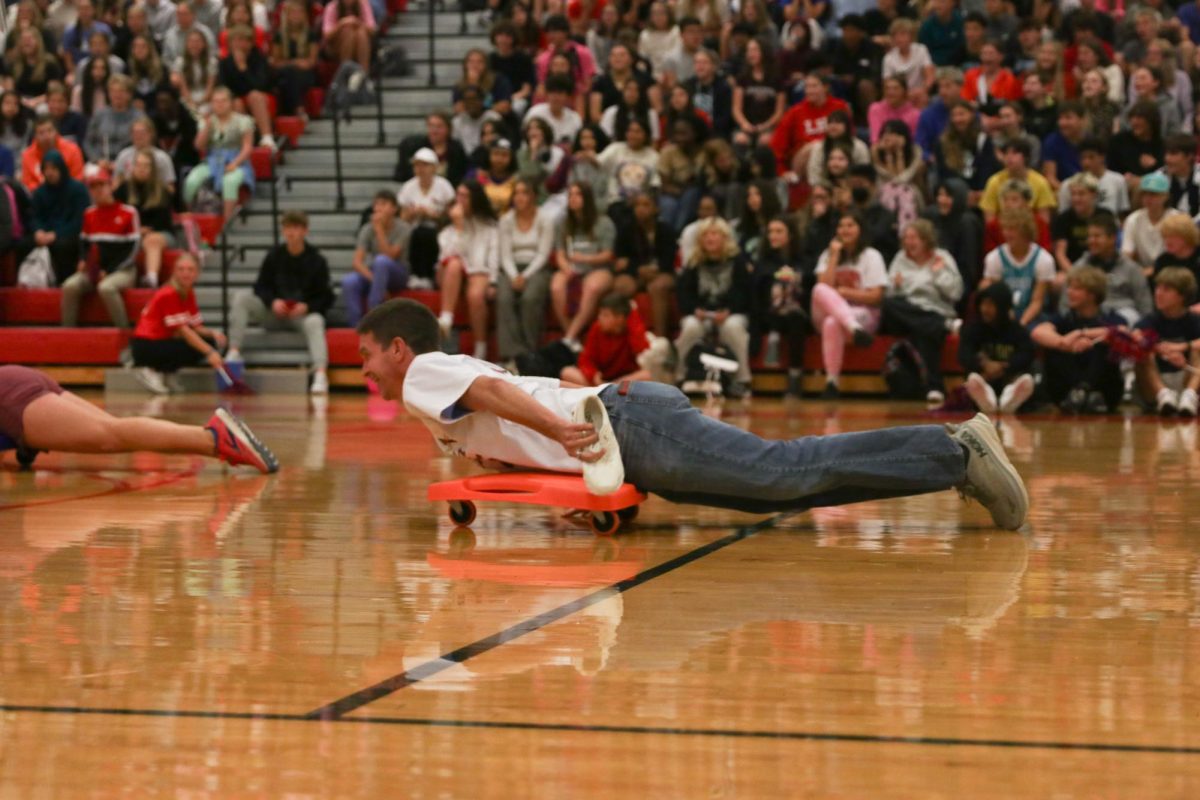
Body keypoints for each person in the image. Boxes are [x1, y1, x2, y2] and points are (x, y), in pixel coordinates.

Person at [353, 297, 1029, 529]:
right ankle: (950, 466)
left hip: (624, 421)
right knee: (776, 491)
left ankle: (955, 448)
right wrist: (573, 479)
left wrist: (562, 432)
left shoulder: (422, 374)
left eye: (366, 356)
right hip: (627, 428)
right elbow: (499, 424)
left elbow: (496, 397)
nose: (364, 371)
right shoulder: (439, 393)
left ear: (401, 348)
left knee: (780, 471)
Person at [0, 365, 277, 473]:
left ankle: (214, 438)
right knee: (113, 429)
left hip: (9, 397)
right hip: (16, 379)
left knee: (112, 436)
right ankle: (215, 439)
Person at [227, 210, 334, 395]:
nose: (291, 232)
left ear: (304, 231)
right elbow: (260, 287)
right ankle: (234, 351)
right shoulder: (274, 255)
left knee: (316, 321)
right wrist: (273, 302)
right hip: (273, 313)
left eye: (295, 228)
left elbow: (325, 296)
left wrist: (307, 306)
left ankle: (320, 373)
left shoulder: (317, 260)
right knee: (241, 298)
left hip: (300, 317)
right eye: (287, 228)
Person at [882, 219, 963, 406]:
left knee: (924, 331)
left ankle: (934, 388)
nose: (909, 242)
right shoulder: (900, 258)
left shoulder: (942, 257)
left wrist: (938, 274)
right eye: (906, 238)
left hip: (936, 310)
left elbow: (955, 292)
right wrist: (896, 285)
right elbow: (889, 292)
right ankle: (943, 325)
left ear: (926, 239)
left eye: (914, 237)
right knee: (889, 304)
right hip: (907, 313)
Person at [810, 210, 887, 399]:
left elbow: (876, 296)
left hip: (864, 314)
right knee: (818, 289)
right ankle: (853, 327)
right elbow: (824, 288)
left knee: (832, 323)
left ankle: (831, 382)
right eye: (841, 226)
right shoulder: (827, 255)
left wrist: (846, 293)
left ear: (861, 229)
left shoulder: (872, 256)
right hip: (843, 318)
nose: (845, 230)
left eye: (850, 225)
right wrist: (834, 255)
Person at [673, 216, 752, 397]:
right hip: (702, 313)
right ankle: (681, 376)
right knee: (691, 326)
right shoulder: (693, 262)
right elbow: (684, 294)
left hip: (731, 312)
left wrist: (729, 309)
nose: (710, 238)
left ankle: (741, 380)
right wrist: (695, 309)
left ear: (725, 237)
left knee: (732, 326)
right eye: (705, 234)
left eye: (715, 234)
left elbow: (745, 294)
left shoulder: (737, 262)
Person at [128, 252, 229, 394]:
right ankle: (149, 370)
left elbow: (196, 326)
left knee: (211, 340)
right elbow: (185, 331)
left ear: (197, 273)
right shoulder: (169, 293)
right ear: (174, 272)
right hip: (146, 346)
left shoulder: (188, 293)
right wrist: (210, 353)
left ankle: (167, 374)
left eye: (190, 269)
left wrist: (214, 334)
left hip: (161, 342)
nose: (185, 273)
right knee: (200, 346)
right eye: (181, 269)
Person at [1030, 266, 1125, 414]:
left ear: (1092, 294)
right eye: (1069, 288)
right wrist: (1065, 344)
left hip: (1104, 392)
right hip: (1066, 391)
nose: (1069, 292)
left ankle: (1084, 390)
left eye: (1076, 289)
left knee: (1105, 343)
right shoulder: (1065, 318)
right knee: (1054, 345)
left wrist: (1082, 334)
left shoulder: (1110, 317)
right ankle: (1078, 392)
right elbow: (1037, 332)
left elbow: (1121, 332)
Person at [60, 167, 140, 329]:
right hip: (94, 269)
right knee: (69, 286)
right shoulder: (89, 214)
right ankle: (67, 333)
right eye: (93, 187)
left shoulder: (128, 213)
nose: (98, 190)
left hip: (123, 269)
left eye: (101, 185)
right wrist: (84, 261)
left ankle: (124, 333)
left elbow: (132, 251)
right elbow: (84, 244)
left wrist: (110, 270)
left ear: (111, 186)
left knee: (106, 288)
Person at [435, 180, 499, 360]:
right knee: (454, 263)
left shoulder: (489, 226)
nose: (460, 200)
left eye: (465, 196)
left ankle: (481, 346)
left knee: (475, 294)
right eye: (458, 195)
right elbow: (447, 255)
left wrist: (493, 281)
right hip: (451, 273)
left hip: (478, 272)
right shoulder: (450, 226)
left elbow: (493, 256)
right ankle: (445, 319)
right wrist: (459, 228)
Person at [496, 178, 555, 364]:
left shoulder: (545, 219)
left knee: (531, 297)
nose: (519, 197)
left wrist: (525, 276)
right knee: (504, 297)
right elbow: (504, 254)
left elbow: (543, 254)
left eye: (524, 193)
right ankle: (512, 354)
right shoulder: (506, 220)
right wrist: (514, 276)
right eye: (517, 193)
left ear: (533, 197)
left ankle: (531, 352)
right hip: (511, 267)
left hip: (537, 267)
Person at [553, 181, 616, 350]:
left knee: (592, 286)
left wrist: (585, 259)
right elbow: (560, 253)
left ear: (587, 198)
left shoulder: (603, 222)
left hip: (599, 268)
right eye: (570, 195)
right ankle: (572, 340)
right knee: (557, 285)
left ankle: (569, 338)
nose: (573, 198)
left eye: (578, 194)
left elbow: (608, 255)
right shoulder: (563, 223)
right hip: (573, 267)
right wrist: (566, 268)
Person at [753, 215, 811, 397]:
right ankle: (773, 333)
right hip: (769, 313)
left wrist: (794, 279)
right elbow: (756, 296)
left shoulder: (803, 261)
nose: (773, 236)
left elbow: (808, 292)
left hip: (797, 314)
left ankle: (795, 376)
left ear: (790, 235)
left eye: (779, 231)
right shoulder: (763, 262)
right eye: (770, 231)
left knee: (796, 317)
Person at [960, 283, 1037, 415]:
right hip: (984, 377)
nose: (984, 309)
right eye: (982, 304)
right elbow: (964, 355)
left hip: (1008, 378)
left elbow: (1027, 354)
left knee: (1026, 377)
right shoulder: (972, 329)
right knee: (973, 378)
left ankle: (1010, 399)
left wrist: (1005, 367)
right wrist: (983, 365)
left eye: (990, 305)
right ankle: (986, 401)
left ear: (1002, 307)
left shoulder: (1018, 331)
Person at [1134, 267, 1200, 416]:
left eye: (1166, 289)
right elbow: (1136, 335)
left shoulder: (1194, 319)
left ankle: (1189, 396)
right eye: (1157, 288)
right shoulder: (1151, 319)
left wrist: (1182, 347)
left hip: (1188, 376)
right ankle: (1163, 395)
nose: (1158, 293)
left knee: (1198, 349)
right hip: (1155, 381)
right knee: (1142, 350)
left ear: (1182, 295)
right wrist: (1160, 349)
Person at [1069, 211, 1153, 327]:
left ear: (1112, 238)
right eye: (1089, 236)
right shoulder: (1079, 267)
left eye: (1097, 236)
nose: (1091, 241)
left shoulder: (1132, 269)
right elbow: (1066, 304)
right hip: (1087, 317)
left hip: (1123, 320)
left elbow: (1145, 307)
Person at [182, 86, 254, 221]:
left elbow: (247, 148)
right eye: (215, 101)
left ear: (231, 102)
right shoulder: (208, 121)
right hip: (212, 161)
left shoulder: (243, 121)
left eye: (223, 101)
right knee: (191, 180)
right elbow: (198, 146)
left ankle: (227, 222)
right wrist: (207, 126)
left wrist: (234, 164)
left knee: (230, 182)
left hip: (237, 161)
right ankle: (191, 218)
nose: (219, 104)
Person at [341, 191, 411, 327]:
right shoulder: (367, 228)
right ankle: (356, 328)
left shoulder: (403, 228)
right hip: (376, 274)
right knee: (349, 281)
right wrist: (375, 280)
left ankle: (374, 315)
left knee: (381, 261)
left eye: (383, 204)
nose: (378, 208)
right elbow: (357, 262)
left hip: (398, 272)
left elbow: (390, 255)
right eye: (376, 204)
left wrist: (379, 230)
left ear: (394, 209)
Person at [612, 192, 677, 338]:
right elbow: (620, 260)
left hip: (661, 272)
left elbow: (669, 260)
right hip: (635, 272)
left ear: (656, 209)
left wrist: (652, 270)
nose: (641, 209)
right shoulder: (626, 229)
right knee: (621, 286)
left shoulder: (666, 230)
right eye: (637, 205)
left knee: (657, 286)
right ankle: (624, 337)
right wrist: (637, 269)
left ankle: (660, 340)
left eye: (646, 205)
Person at [114, 148, 179, 288]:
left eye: (146, 165)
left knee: (152, 240)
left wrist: (143, 230)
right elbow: (117, 214)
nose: (142, 169)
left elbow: (162, 220)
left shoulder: (162, 190)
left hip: (161, 232)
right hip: (132, 233)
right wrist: (136, 229)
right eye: (138, 165)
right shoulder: (123, 189)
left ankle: (151, 279)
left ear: (152, 169)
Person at [980, 207, 1055, 328]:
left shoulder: (1044, 259)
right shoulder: (994, 258)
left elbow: (1037, 301)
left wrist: (1021, 324)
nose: (1006, 233)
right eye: (1005, 228)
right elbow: (997, 297)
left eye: (1012, 229)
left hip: (1034, 316)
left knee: (1040, 332)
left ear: (1026, 231)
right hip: (1004, 314)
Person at [560, 291, 654, 387]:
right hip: (600, 381)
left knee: (646, 375)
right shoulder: (597, 327)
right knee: (567, 372)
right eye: (600, 314)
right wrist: (593, 375)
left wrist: (633, 315)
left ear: (620, 318)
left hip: (622, 380)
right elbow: (585, 359)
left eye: (605, 315)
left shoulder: (632, 328)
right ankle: (606, 390)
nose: (600, 318)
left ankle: (609, 389)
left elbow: (641, 349)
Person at [771, 74, 849, 179]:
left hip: (834, 153)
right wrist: (782, 171)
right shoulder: (795, 112)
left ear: (825, 88)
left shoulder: (839, 107)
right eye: (807, 87)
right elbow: (777, 146)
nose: (809, 91)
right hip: (803, 158)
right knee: (815, 147)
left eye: (814, 86)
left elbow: (849, 134)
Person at [398, 147, 456, 288]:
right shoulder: (408, 187)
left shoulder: (444, 186)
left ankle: (428, 275)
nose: (420, 169)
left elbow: (451, 216)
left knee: (426, 233)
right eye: (417, 165)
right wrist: (412, 213)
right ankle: (415, 274)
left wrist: (432, 215)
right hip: (413, 230)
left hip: (438, 230)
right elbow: (402, 217)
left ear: (434, 167)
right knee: (418, 233)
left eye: (425, 165)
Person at [29, 150, 89, 285]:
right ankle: (29, 283)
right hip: (46, 233)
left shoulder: (77, 189)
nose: (50, 173)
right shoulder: (40, 192)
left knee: (63, 245)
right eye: (46, 169)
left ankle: (63, 283)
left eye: (54, 168)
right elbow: (34, 216)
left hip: (70, 234)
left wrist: (56, 234)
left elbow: (80, 220)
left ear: (61, 168)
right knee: (23, 244)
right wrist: (38, 231)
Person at [979, 139, 1056, 223]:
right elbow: (990, 220)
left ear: (1026, 157)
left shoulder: (1040, 182)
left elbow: (1044, 221)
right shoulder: (994, 181)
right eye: (1006, 153)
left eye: (1014, 153)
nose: (1009, 157)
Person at [1121, 172, 1178, 275]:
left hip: (1171, 272)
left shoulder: (1177, 218)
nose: (1148, 198)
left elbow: (1180, 255)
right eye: (1144, 194)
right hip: (1141, 273)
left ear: (1165, 196)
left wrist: (1154, 271)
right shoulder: (1133, 219)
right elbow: (1127, 254)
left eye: (1153, 194)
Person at [270, 0, 319, 118]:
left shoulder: (310, 34)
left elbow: (311, 62)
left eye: (299, 13)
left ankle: (293, 111)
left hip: (305, 74)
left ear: (304, 15)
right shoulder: (279, 35)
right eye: (293, 13)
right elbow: (275, 62)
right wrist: (295, 63)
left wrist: (294, 64)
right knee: (289, 73)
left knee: (288, 77)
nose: (296, 16)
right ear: (287, 15)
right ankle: (299, 110)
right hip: (286, 71)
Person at [1057, 137, 1129, 215]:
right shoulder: (1067, 184)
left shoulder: (1118, 180)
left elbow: (1123, 213)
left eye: (1091, 157)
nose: (1086, 162)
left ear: (1102, 157)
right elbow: (1064, 215)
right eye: (1083, 158)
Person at [84, 75, 145, 166]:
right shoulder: (99, 114)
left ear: (129, 94)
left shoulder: (139, 117)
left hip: (129, 163)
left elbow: (143, 145)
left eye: (121, 91)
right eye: (113, 91)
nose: (117, 95)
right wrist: (97, 159)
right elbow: (88, 142)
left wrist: (120, 163)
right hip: (100, 163)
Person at [20, 114, 84, 192]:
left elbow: (78, 178)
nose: (46, 136)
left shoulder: (72, 150)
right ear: (35, 136)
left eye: (50, 131)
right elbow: (28, 183)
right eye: (41, 133)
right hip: (40, 197)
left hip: (68, 194)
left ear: (56, 131)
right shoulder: (27, 155)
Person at [321, 0, 375, 73]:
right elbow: (327, 35)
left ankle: (363, 74)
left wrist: (357, 23)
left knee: (361, 33)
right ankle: (346, 73)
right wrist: (342, 24)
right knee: (347, 31)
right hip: (335, 47)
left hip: (360, 44)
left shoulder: (363, 4)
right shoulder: (332, 6)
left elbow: (372, 30)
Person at [1163, 133, 1200, 218]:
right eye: (1166, 153)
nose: (1167, 158)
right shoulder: (1160, 177)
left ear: (1189, 156)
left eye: (1173, 154)